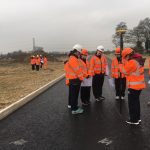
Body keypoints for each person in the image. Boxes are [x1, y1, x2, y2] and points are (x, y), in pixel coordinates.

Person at [119, 48, 146, 125]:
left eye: (125, 57)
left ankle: (133, 120)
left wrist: (120, 64)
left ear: (128, 55)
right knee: (136, 102)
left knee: (132, 103)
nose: (125, 59)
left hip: (134, 86)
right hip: (139, 85)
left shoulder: (132, 62)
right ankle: (137, 118)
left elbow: (124, 71)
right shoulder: (138, 59)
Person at [67, 44, 84, 114]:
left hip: (73, 80)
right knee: (74, 95)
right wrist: (81, 78)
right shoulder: (73, 59)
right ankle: (74, 109)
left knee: (72, 94)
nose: (80, 54)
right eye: (79, 52)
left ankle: (72, 106)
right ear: (76, 51)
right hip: (75, 80)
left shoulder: (72, 58)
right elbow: (77, 70)